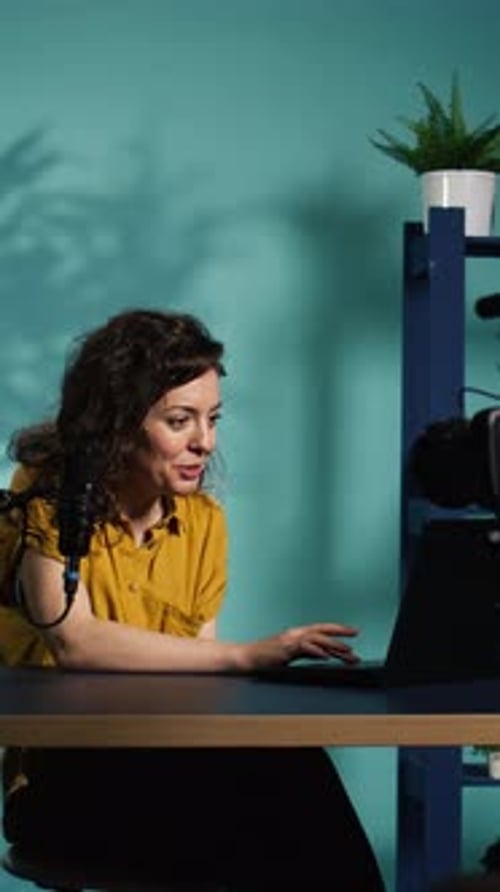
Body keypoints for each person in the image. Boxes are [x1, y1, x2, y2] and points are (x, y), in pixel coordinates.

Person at [0, 308, 385, 891]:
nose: (203, 442)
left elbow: (192, 685)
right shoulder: (47, 498)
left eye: (212, 419)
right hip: (66, 777)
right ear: (118, 423)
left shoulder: (203, 523)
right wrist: (247, 656)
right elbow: (73, 638)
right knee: (256, 829)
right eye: (180, 421)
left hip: (165, 758)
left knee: (291, 767)